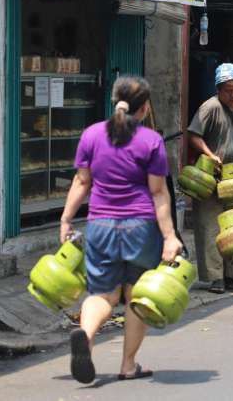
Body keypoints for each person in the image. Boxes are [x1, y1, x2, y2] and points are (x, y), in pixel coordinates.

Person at [60, 76, 183, 384]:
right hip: (140, 227)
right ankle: (128, 364)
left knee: (102, 293)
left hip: (100, 225)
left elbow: (81, 182)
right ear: (144, 109)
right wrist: (169, 236)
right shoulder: (150, 141)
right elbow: (159, 194)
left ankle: (85, 336)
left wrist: (65, 219)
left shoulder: (90, 135)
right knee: (135, 296)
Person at [187, 63, 233, 293]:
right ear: (219, 88)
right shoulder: (209, 107)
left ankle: (232, 275)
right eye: (228, 89)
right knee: (210, 226)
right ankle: (215, 277)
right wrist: (210, 155)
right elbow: (194, 135)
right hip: (211, 176)